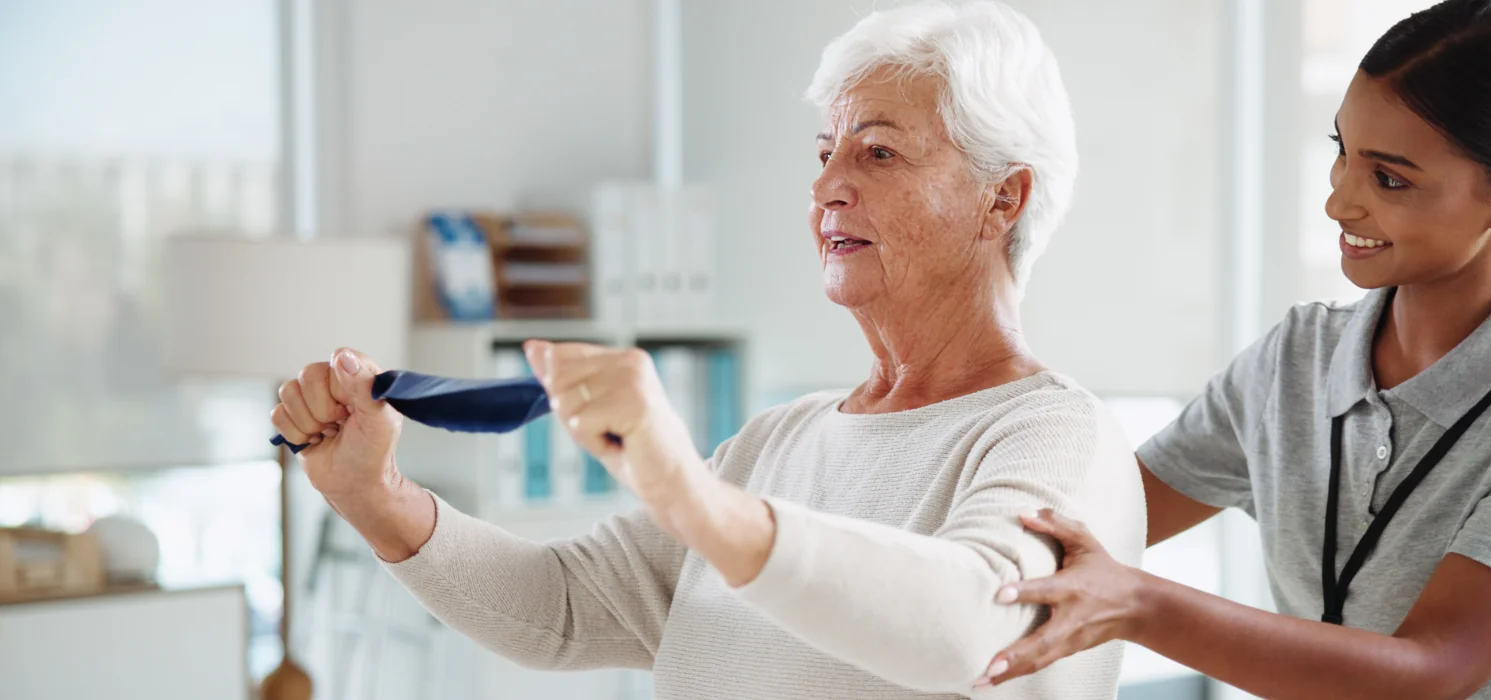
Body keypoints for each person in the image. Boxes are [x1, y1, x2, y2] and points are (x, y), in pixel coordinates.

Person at [267, 3, 1144, 698]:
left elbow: (973, 623)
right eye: (825, 152)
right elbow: (563, 608)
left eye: (879, 152)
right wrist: (376, 498)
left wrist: (691, 495)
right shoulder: (775, 443)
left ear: (1003, 199)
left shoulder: (1058, 438)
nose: (827, 186)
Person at [975, 1, 1491, 698]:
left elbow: (1435, 670)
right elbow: (1097, 515)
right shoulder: (1299, 355)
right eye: (1342, 152)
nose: (1339, 203)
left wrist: (1139, 604)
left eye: (1389, 179)